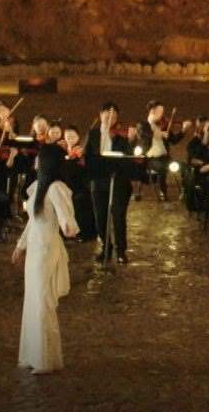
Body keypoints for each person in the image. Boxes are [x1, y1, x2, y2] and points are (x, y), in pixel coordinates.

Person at [14, 143, 81, 374]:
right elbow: (33, 221)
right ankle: (32, 354)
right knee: (32, 300)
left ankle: (45, 359)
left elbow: (65, 216)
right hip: (35, 248)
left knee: (42, 300)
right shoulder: (39, 187)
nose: (35, 161)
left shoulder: (55, 188)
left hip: (46, 249)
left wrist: (69, 227)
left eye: (39, 157)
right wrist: (20, 246)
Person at [83, 103, 133, 264]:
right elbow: (86, 155)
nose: (110, 118)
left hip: (118, 180)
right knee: (100, 217)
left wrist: (131, 141)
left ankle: (121, 250)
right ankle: (106, 247)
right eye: (107, 114)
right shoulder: (93, 133)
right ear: (101, 115)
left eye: (114, 116)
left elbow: (129, 157)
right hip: (98, 180)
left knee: (118, 216)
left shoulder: (122, 135)